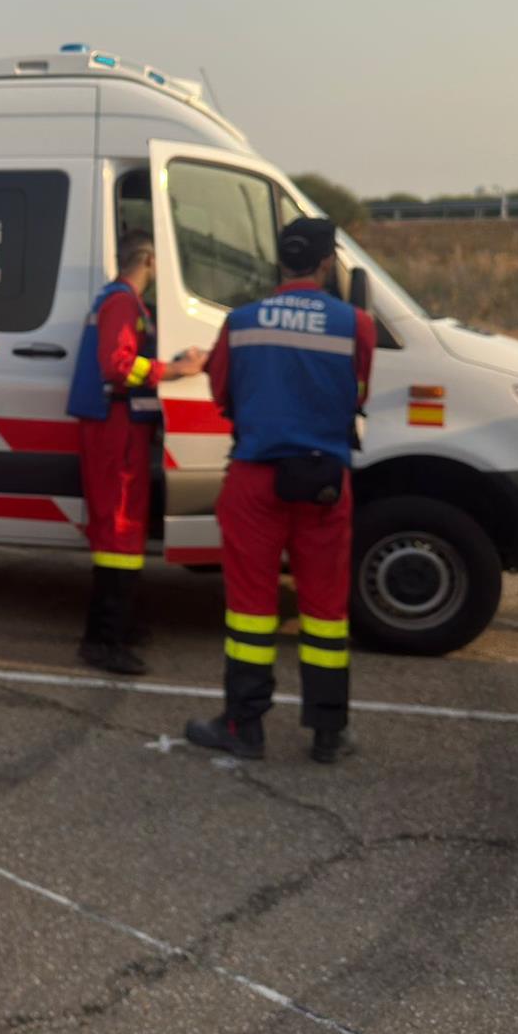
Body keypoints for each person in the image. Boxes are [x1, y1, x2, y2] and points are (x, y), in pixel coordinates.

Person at [186, 216, 375, 764]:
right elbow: (357, 392)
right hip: (323, 483)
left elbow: (222, 392)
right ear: (324, 263)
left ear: (280, 260)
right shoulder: (355, 325)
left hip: (255, 477)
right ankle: (327, 732)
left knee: (250, 607)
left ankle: (244, 725)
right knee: (324, 611)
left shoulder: (241, 322)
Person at [67, 230, 206, 675]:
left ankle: (118, 625)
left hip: (121, 427)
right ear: (147, 259)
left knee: (123, 530)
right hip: (116, 428)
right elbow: (117, 364)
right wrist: (176, 369)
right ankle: (102, 639)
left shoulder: (123, 301)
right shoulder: (124, 302)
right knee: (118, 531)